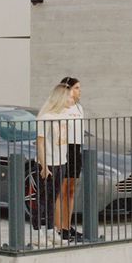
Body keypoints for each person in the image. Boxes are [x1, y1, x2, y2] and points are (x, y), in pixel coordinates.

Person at [36, 77, 85, 240]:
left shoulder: (78, 108)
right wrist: (44, 164)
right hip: (59, 152)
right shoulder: (54, 113)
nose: (78, 91)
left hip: (72, 151)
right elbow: (43, 140)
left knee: (68, 189)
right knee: (54, 192)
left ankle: (65, 225)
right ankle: (54, 228)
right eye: (76, 88)